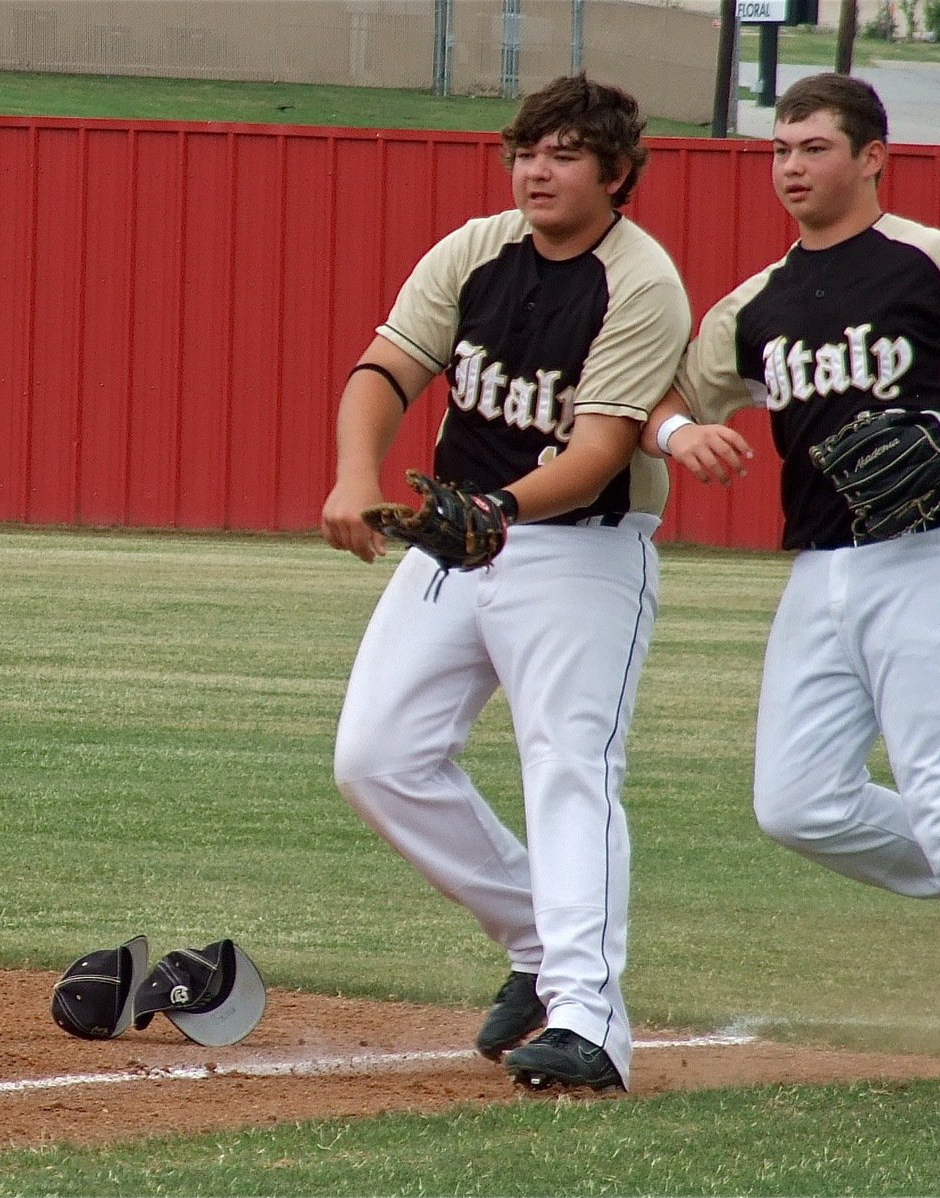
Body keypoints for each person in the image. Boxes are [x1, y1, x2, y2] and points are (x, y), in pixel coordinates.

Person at [642, 72, 940, 1113]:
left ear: (871, 157)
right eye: (781, 150)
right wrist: (681, 432)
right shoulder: (757, 302)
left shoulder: (931, 263)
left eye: (813, 147)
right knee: (797, 803)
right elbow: (658, 391)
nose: (792, 167)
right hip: (823, 565)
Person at [321, 73, 691, 1093]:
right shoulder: (477, 250)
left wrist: (500, 511)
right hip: (462, 537)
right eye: (527, 150)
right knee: (378, 755)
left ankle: (592, 1024)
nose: (537, 168)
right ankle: (536, 937)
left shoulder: (640, 280)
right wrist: (358, 474)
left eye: (565, 153)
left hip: (580, 546)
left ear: (616, 175)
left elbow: (604, 443)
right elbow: (386, 370)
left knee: (570, 764)